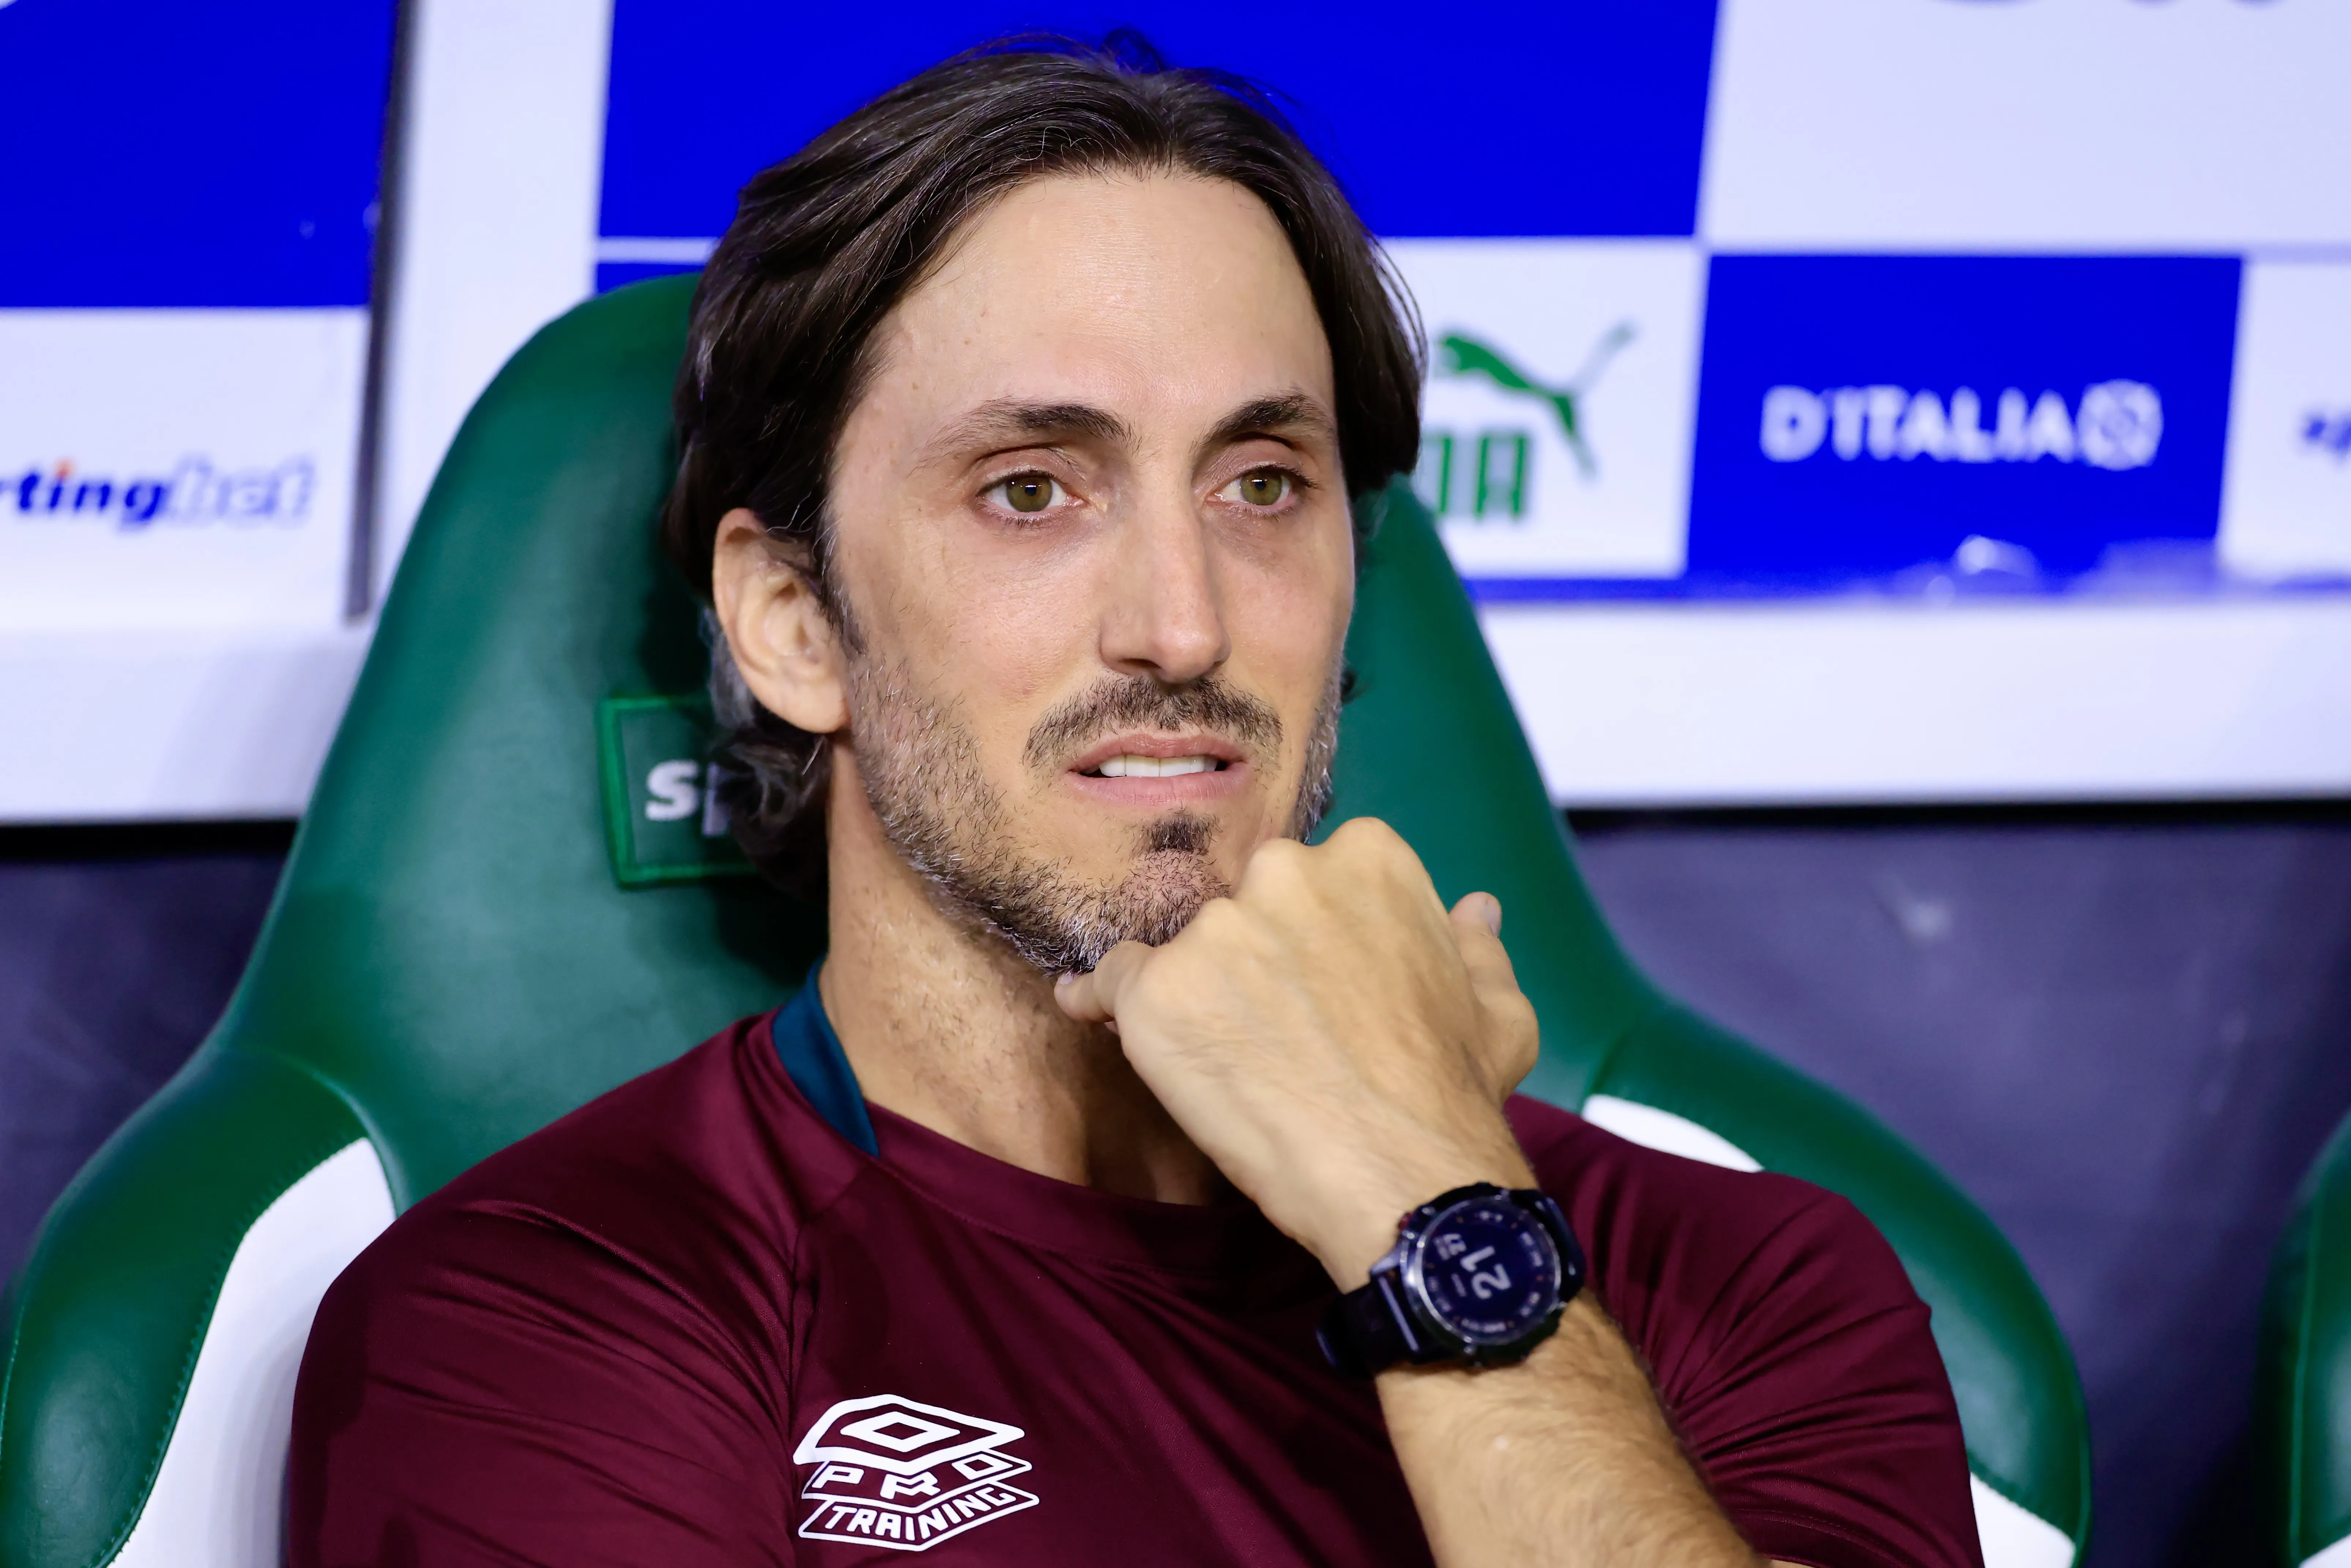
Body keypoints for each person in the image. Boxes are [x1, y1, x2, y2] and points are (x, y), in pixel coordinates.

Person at [289, 37, 1981, 1568]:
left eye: (1262, 486)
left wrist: (1429, 1209)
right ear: (794, 624)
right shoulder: (543, 1323)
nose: (1182, 622)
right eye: (1031, 490)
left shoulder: (1741, 1279)